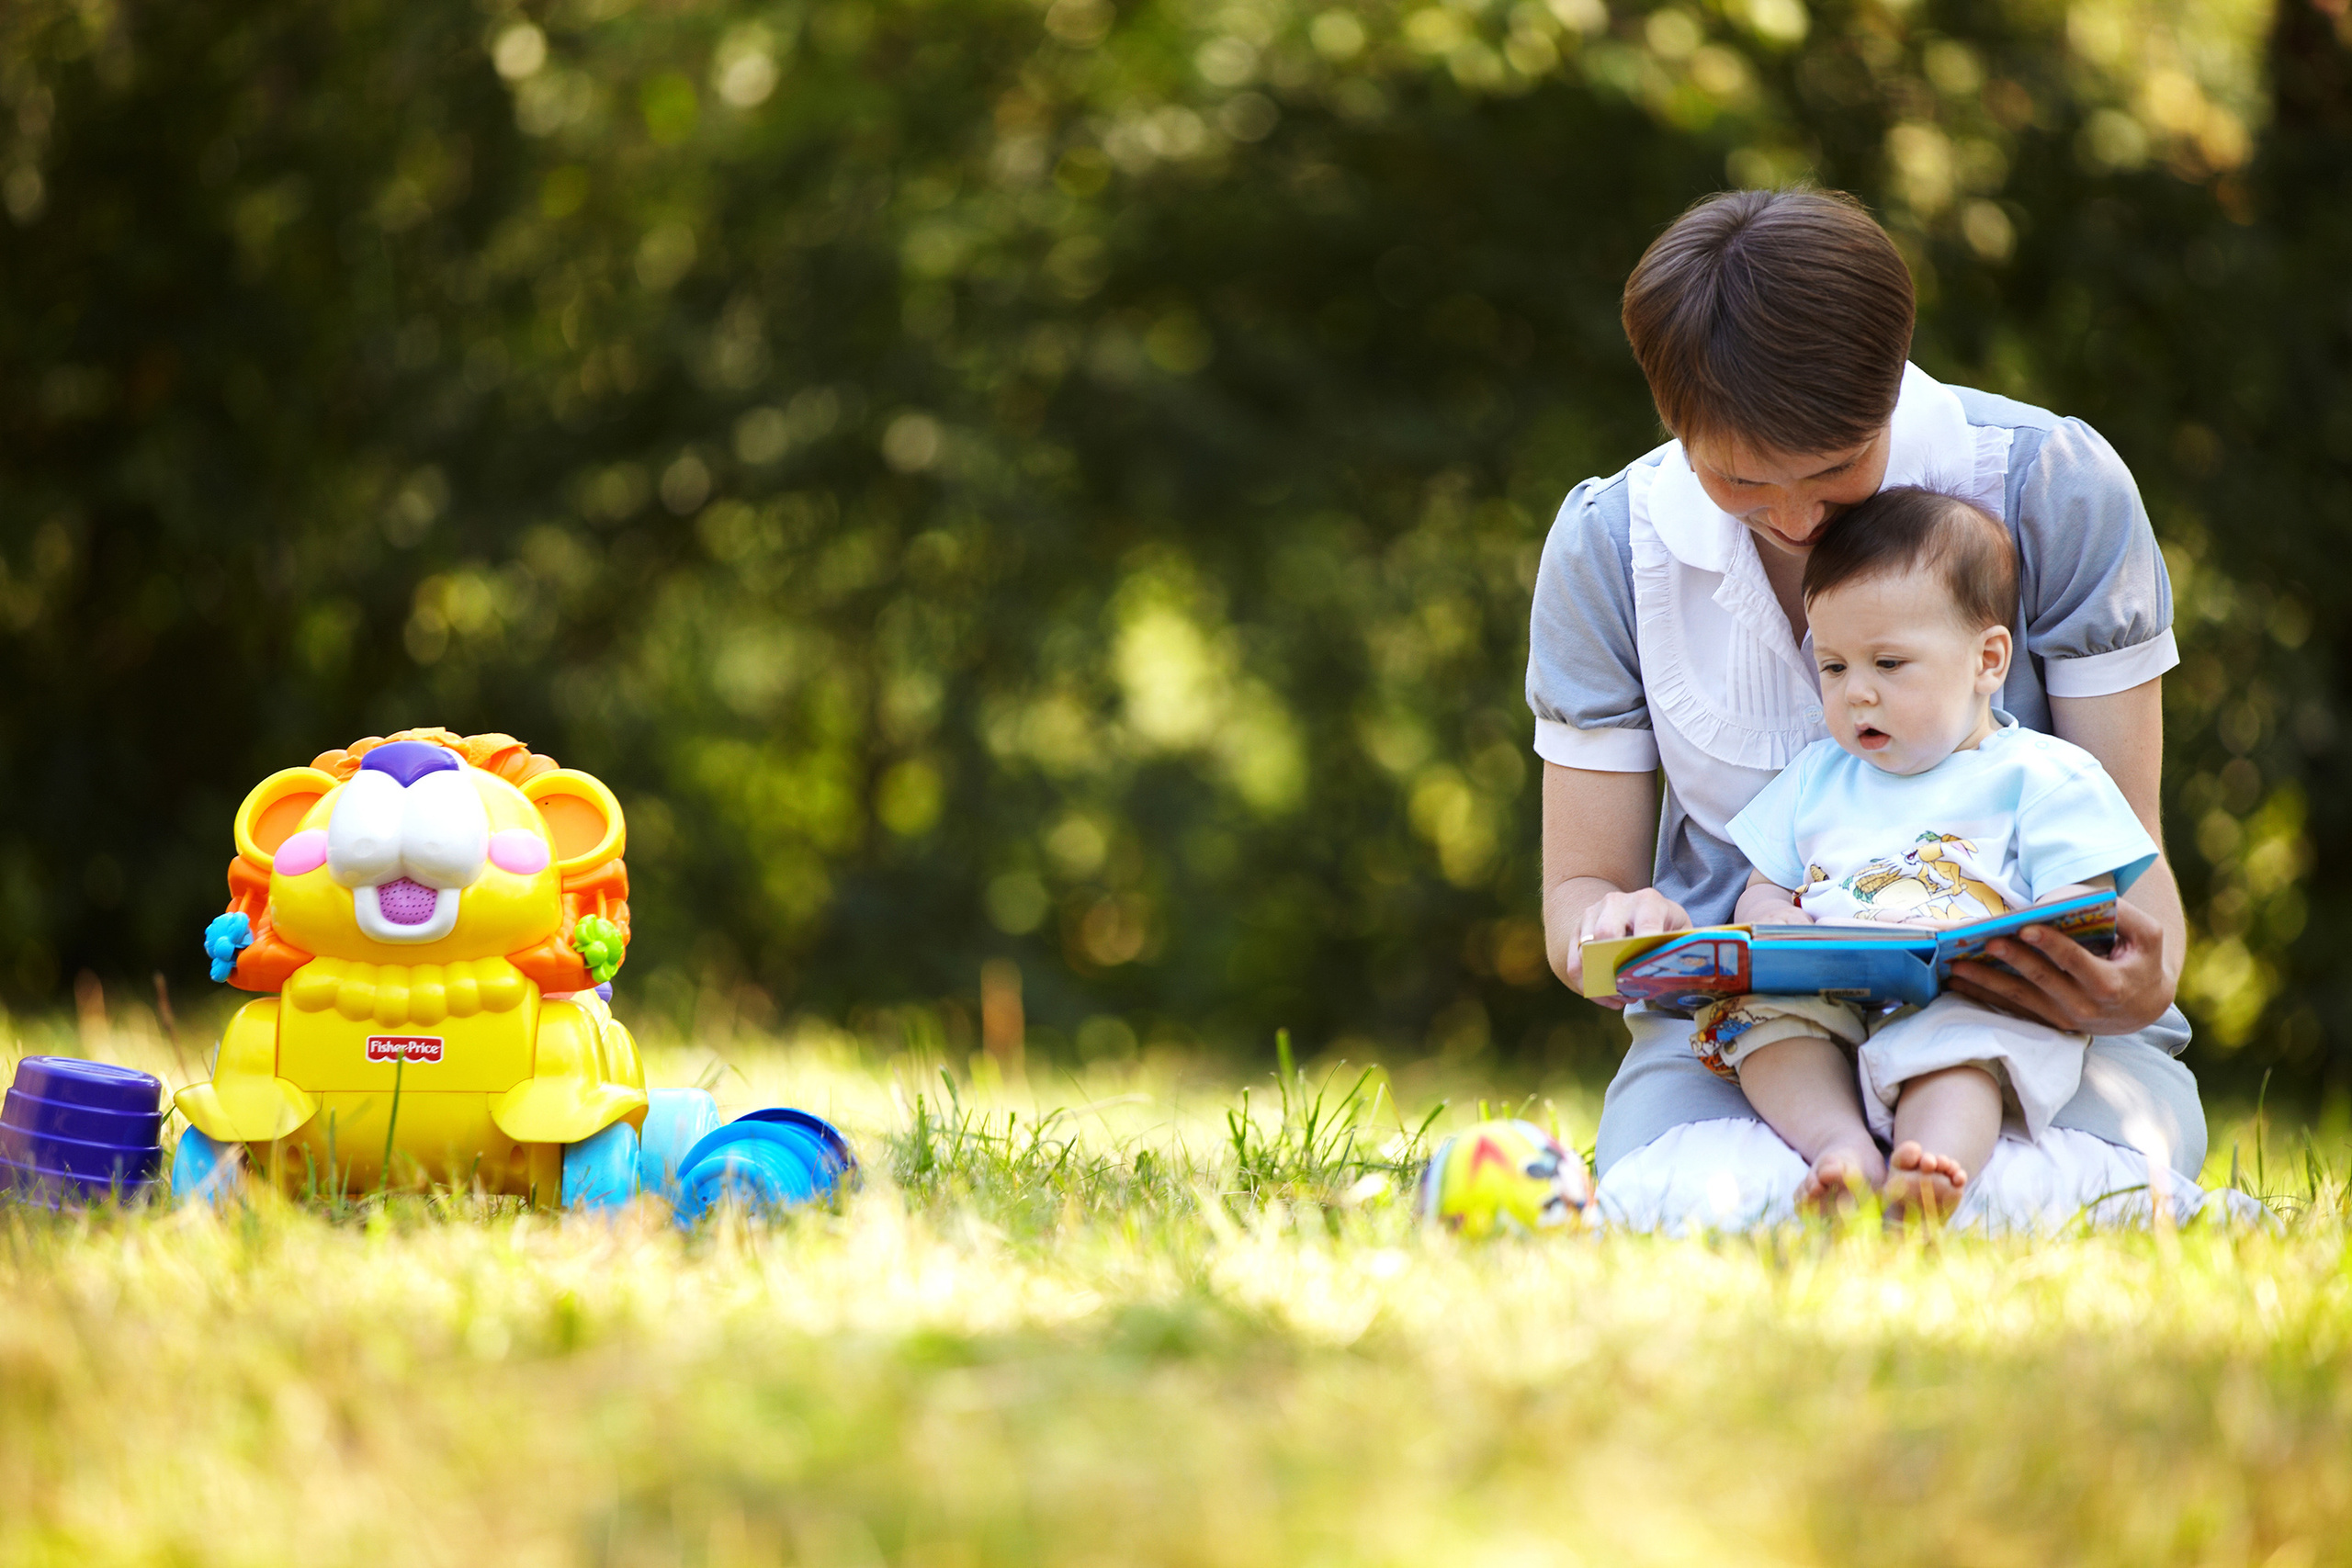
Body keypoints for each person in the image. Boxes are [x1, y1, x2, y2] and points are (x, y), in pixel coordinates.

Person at [1528, 186, 2207, 1232]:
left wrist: (2132, 979)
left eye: (1837, 468)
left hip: (2037, 1018)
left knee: (2083, 1182)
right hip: (1746, 1032)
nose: (1796, 522)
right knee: (1689, 1191)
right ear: (1673, 421)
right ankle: (1851, 1164)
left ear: (1891, 385)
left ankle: (1938, 1174)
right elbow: (1582, 894)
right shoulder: (1609, 549)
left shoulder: (2053, 488)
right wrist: (1614, 929)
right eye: (1740, 479)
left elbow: (2130, 862)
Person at [1696, 487, 2159, 1219]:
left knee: (1963, 1050)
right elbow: (1760, 889)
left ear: (1988, 658)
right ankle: (1837, 1145)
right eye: (1836, 667)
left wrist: (2035, 939)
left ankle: (1932, 1166)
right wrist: (1770, 926)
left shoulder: (2041, 777)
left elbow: (2086, 908)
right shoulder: (1817, 777)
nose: (1858, 695)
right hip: (1828, 986)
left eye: (1888, 663)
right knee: (1760, 1023)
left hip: (1969, 996)